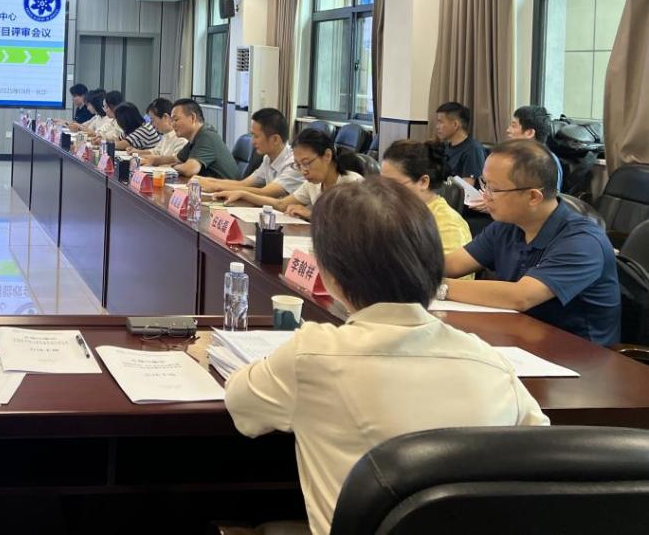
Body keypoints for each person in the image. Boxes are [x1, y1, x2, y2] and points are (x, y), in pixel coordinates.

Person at [225, 176, 548, 535]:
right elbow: (542, 456)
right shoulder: (488, 361)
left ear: (330, 277)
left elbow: (242, 407)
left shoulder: (312, 355)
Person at [441, 140, 620, 345]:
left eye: (494, 189)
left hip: (578, 354)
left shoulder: (583, 241)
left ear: (534, 197)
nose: (485, 195)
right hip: (520, 336)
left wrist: (438, 287)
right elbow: (451, 264)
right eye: (484, 184)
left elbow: (520, 297)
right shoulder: (507, 225)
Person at [213, 128, 362, 219]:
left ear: (327, 156)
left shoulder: (352, 183)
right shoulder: (312, 184)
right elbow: (281, 204)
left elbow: (350, 226)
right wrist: (243, 194)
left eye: (306, 163)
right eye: (298, 165)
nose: (303, 171)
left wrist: (312, 215)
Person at [380, 140, 473, 260]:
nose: (384, 190)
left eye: (393, 184)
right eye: (381, 183)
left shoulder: (449, 226)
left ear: (423, 182)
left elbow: (450, 271)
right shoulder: (396, 212)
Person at [196, 107, 303, 197]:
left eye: (256, 136)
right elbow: (244, 184)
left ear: (275, 139)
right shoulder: (268, 158)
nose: (252, 142)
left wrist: (217, 187)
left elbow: (265, 192)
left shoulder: (295, 163)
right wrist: (206, 181)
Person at [170, 98, 246, 181]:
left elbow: (190, 169)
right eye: (172, 121)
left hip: (225, 188)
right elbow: (176, 159)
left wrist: (174, 167)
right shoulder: (195, 138)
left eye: (176, 120)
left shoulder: (207, 137)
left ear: (192, 118)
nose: (173, 124)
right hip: (210, 186)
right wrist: (159, 160)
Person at [506, 105, 562, 191]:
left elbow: (548, 197)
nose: (508, 130)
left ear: (529, 133)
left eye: (513, 126)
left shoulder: (546, 162)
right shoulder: (517, 156)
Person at [434, 101, 485, 187]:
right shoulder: (445, 147)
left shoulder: (473, 150)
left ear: (455, 124)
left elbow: (467, 188)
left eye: (441, 122)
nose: (437, 127)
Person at [132, 98, 187, 165]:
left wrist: (153, 160)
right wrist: (138, 152)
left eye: (153, 120)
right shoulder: (166, 135)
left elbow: (175, 163)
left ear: (165, 117)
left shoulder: (181, 139)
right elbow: (156, 151)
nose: (152, 125)